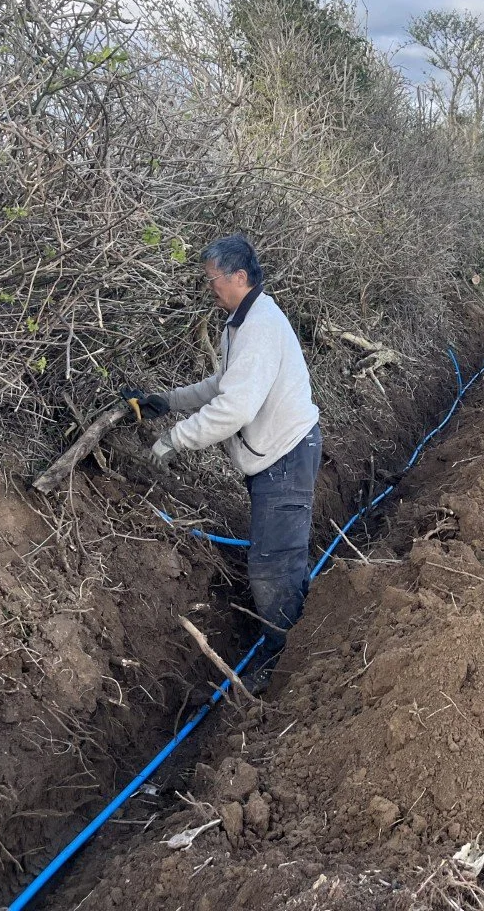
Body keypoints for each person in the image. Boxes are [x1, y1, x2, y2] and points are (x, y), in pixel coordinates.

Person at [127, 235, 321, 693]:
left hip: (286, 457)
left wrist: (173, 441)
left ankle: (286, 665)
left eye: (213, 279)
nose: (209, 287)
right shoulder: (240, 323)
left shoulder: (258, 327)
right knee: (280, 558)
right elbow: (223, 385)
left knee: (272, 566)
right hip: (278, 455)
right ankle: (304, 631)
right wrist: (167, 402)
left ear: (239, 277)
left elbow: (235, 410)